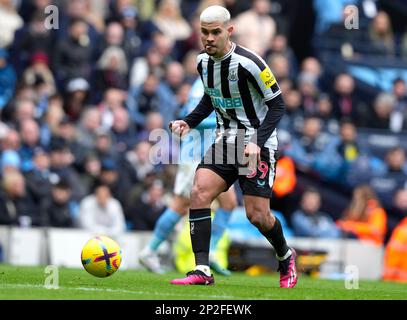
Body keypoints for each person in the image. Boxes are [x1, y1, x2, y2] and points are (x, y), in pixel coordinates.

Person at [168, 5, 297, 288]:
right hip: (226, 140)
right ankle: (202, 269)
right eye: (204, 32)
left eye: (215, 32)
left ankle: (285, 255)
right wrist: (189, 122)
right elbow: (210, 99)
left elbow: (278, 105)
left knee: (257, 216)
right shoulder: (202, 63)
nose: (209, 38)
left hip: (255, 141)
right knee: (199, 191)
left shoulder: (252, 63)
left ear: (229, 31)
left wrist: (257, 142)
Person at [139, 78, 237, 276]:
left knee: (229, 203)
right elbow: (190, 120)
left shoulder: (218, 84)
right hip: (195, 155)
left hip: (215, 153)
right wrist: (224, 121)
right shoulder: (201, 86)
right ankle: (149, 251)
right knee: (180, 205)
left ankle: (213, 251)